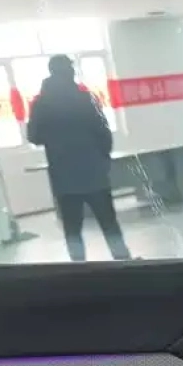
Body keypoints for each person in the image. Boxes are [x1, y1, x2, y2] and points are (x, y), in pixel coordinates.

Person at [26, 55, 132, 262]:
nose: (73, 71)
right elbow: (104, 133)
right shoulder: (86, 98)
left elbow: (34, 137)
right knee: (108, 222)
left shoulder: (40, 103)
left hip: (63, 176)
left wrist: (54, 139)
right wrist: (102, 159)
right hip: (94, 172)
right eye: (70, 68)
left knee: (72, 228)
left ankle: (78, 267)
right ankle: (123, 261)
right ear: (67, 72)